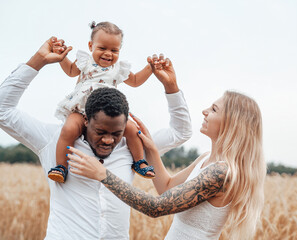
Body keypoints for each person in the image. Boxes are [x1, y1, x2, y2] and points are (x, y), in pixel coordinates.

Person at [0, 37, 192, 239]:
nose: (109, 140)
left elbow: (181, 132)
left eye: (116, 133)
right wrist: (38, 61)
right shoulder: (54, 139)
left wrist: (171, 86)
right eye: (100, 132)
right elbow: (3, 111)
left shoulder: (133, 145)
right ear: (85, 119)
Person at [67, 90, 267, 239]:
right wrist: (152, 150)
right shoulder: (206, 159)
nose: (205, 111)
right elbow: (167, 188)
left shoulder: (221, 173)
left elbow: (156, 207)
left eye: (214, 109)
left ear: (233, 123)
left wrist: (104, 175)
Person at [48, 21, 155, 183]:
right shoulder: (85, 61)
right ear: (91, 46)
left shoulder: (119, 68)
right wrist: (61, 56)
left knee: (132, 129)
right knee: (68, 129)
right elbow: (70, 71)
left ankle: (139, 161)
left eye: (114, 50)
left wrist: (150, 68)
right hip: (81, 109)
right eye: (102, 48)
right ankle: (61, 167)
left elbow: (134, 81)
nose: (108, 53)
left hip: (108, 112)